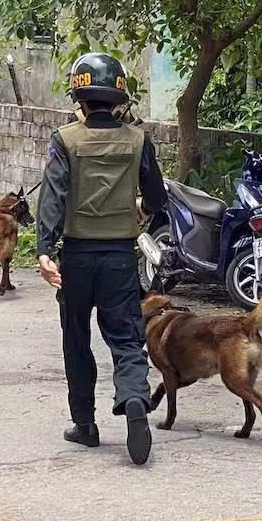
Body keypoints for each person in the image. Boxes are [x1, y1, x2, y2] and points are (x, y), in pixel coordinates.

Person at [35, 52, 167, 465]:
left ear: (79, 94)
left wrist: (44, 250)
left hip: (75, 257)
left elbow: (52, 198)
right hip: (118, 259)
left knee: (77, 339)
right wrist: (145, 209)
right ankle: (133, 399)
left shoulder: (65, 139)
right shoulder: (138, 140)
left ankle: (85, 425)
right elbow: (159, 196)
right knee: (127, 338)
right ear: (118, 95)